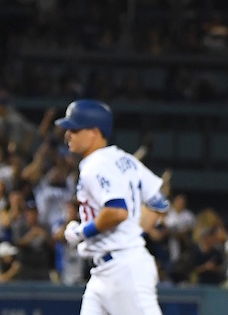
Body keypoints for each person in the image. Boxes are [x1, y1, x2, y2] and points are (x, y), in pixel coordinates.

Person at [56, 99, 169, 315]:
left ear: (94, 132)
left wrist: (80, 232)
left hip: (124, 270)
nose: (67, 134)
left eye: (74, 129)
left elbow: (117, 211)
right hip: (107, 270)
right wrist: (136, 230)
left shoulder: (95, 165)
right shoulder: (124, 159)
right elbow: (159, 201)